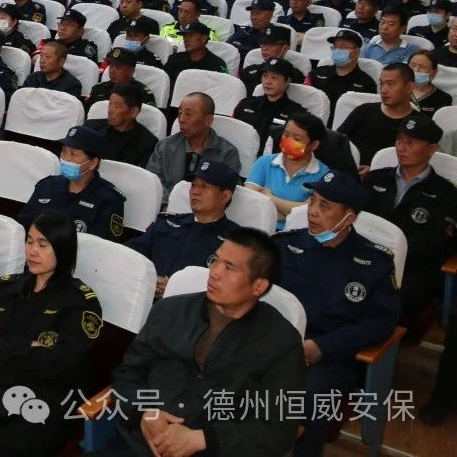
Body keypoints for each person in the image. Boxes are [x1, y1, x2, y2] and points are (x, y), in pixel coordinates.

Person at [101, 228, 305, 456]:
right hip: (142, 443)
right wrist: (145, 411)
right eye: (215, 260)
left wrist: (203, 439)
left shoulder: (281, 342)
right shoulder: (169, 311)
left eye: (229, 267)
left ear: (258, 286)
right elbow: (129, 372)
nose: (214, 272)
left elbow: (279, 426)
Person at [0, 209, 103, 456]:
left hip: (44, 401)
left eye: (43, 245)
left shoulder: (81, 303)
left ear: (63, 249)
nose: (32, 251)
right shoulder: (5, 288)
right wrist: (28, 347)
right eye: (29, 241)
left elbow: (59, 362)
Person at [277, 172, 400, 457]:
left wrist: (322, 346)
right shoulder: (284, 246)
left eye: (325, 206)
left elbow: (381, 321)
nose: (312, 211)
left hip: (328, 358)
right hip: (276, 343)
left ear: (349, 218)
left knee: (309, 399)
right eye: (312, 201)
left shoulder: (374, 263)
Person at [361, 114, 457, 323]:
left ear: (431, 149)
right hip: (361, 258)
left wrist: (388, 252)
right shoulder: (374, 179)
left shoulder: (445, 193)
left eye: (410, 142)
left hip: (410, 270)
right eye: (399, 140)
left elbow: (435, 243)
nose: (401, 148)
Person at [127, 160, 239, 297]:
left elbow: (231, 287)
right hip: (141, 295)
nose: (195, 192)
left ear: (225, 196)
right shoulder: (168, 222)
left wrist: (177, 289)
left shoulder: (236, 240)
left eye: (204, 186)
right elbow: (130, 253)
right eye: (193, 185)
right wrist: (149, 280)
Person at [17, 126, 127, 242]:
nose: (66, 159)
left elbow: (101, 246)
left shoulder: (109, 200)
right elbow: (23, 226)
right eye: (64, 151)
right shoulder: (47, 186)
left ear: (93, 163)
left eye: (73, 154)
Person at [145, 93, 242, 199]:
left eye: (188, 114)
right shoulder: (165, 146)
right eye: (179, 113)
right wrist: (170, 204)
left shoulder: (227, 153)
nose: (181, 119)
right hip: (167, 206)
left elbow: (228, 192)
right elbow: (153, 181)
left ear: (208, 120)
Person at [244, 111, 329, 226]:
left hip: (296, 232)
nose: (288, 141)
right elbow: (249, 199)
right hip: (257, 227)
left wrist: (269, 198)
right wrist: (290, 212)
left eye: (297, 139)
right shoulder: (264, 162)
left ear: (314, 145)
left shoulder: (324, 175)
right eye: (286, 134)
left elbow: (309, 212)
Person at [337, 62, 417, 171]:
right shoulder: (364, 111)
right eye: (381, 83)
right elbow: (338, 143)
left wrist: (374, 170)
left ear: (409, 87)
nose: (383, 90)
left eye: (390, 84)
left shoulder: (418, 124)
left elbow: (416, 164)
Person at [232, 57, 305, 147]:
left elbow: (296, 146)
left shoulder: (297, 114)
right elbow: (232, 133)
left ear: (287, 82)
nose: (268, 82)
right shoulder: (245, 104)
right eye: (265, 76)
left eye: (274, 77)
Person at [84, 83, 158, 167]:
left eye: (116, 106)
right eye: (109, 104)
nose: (109, 110)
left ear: (133, 112)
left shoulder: (147, 143)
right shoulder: (91, 127)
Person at [307, 29, 376, 113]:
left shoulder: (367, 84)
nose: (337, 50)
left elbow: (367, 113)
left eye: (343, 47)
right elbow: (305, 99)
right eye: (335, 47)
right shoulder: (316, 73)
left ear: (357, 52)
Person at [161, 20, 228, 87]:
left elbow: (222, 89)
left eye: (190, 35)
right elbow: (163, 84)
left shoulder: (217, 65)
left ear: (204, 39)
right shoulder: (174, 59)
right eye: (184, 36)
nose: (185, 40)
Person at [408, 49, 452, 116]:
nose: (416, 70)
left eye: (422, 67)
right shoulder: (398, 90)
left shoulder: (444, 98)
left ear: (434, 72)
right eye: (413, 65)